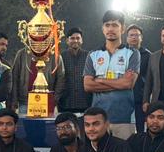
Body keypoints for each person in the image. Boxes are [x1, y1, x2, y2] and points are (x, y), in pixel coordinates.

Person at [83, 10, 141, 140]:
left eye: (115, 25)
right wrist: (119, 83)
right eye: (107, 25)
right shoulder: (93, 54)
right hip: (97, 119)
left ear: (122, 29)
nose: (110, 29)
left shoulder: (132, 53)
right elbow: (87, 85)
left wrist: (100, 80)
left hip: (124, 118)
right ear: (103, 29)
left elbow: (128, 83)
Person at [56, 27, 90, 117]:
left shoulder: (89, 56)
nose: (75, 40)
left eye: (78, 38)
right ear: (67, 41)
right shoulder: (60, 57)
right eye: (72, 38)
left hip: (85, 103)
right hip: (65, 103)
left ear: (82, 40)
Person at [125, 25, 152, 133]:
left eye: (136, 35)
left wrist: (146, 99)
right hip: (123, 98)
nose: (134, 37)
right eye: (131, 35)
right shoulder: (120, 53)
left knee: (141, 129)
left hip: (140, 98)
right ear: (127, 38)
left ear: (141, 38)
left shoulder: (148, 55)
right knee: (124, 129)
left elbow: (150, 79)